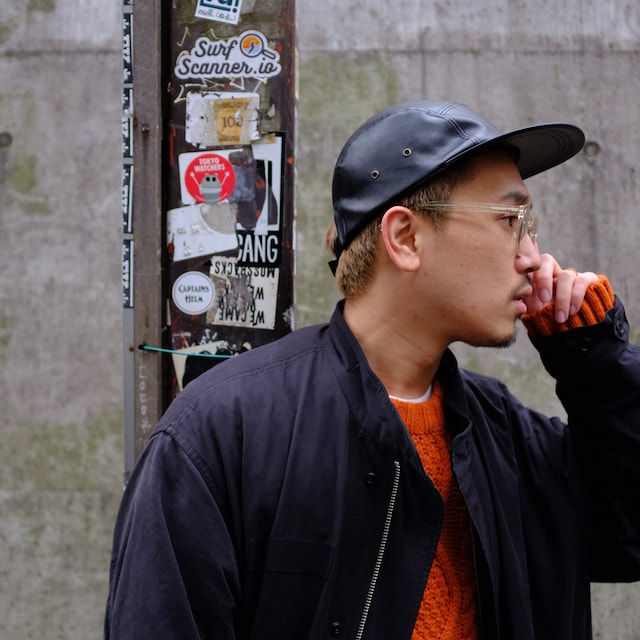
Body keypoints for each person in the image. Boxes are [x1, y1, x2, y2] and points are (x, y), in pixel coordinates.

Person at [104, 100, 640, 640]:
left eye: (530, 225)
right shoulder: (222, 434)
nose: (534, 257)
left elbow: (627, 537)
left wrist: (595, 359)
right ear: (405, 237)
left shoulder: (506, 436)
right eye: (510, 220)